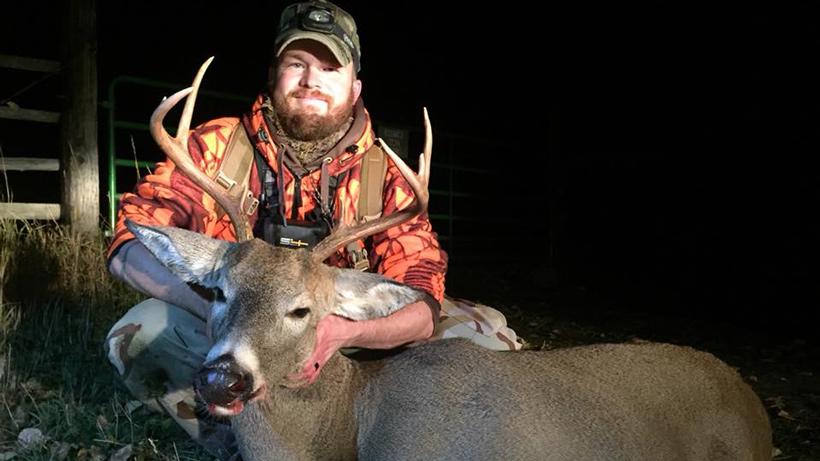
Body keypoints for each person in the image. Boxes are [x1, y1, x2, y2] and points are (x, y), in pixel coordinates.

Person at [105, 1, 521, 457]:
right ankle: (238, 441)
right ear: (274, 73)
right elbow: (131, 242)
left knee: (489, 341)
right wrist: (212, 306)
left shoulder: (385, 176)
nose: (310, 80)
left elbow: (421, 299)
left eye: (329, 68)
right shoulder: (217, 147)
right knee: (138, 334)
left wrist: (341, 333)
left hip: (345, 334)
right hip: (232, 333)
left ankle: (393, 436)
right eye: (296, 64)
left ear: (354, 86)